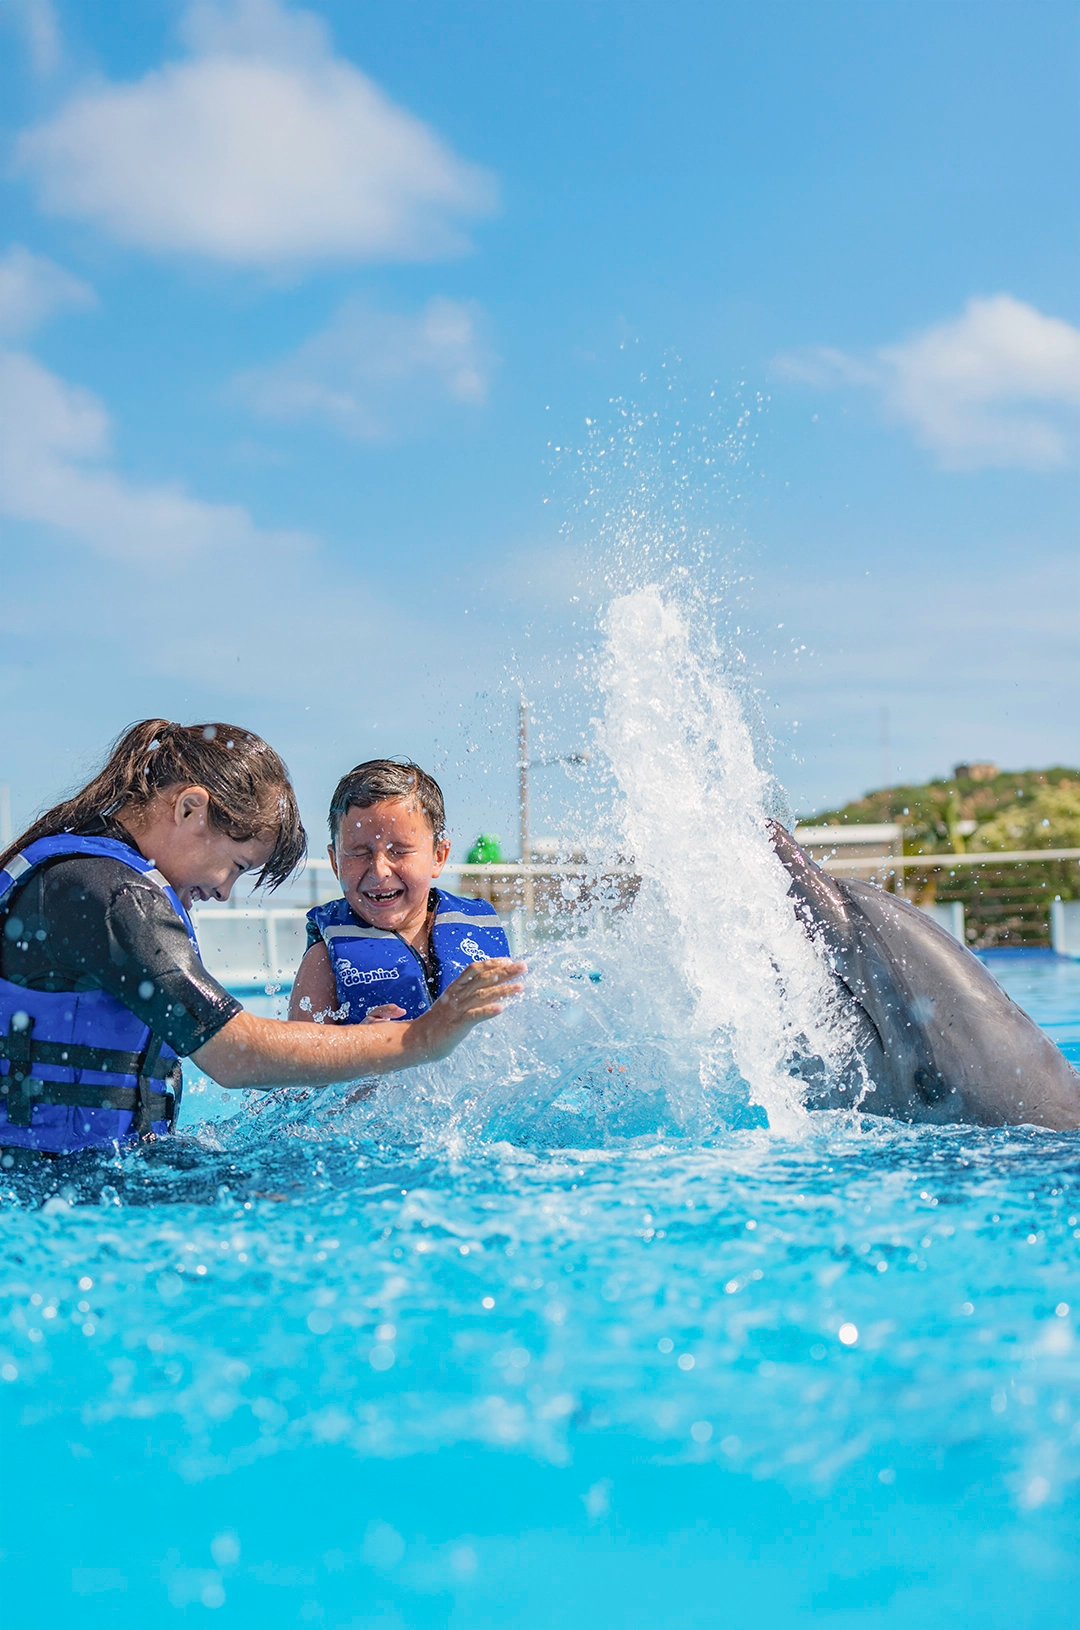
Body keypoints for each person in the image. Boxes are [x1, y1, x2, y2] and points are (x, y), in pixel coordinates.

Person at [0, 721, 524, 1160]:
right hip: (43, 1176)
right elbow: (235, 1053)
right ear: (188, 809)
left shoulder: (96, 883)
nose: (226, 891)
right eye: (235, 865)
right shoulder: (107, 895)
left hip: (73, 1166)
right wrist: (422, 1037)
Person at [289, 760, 511, 1027]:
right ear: (335, 862)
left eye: (400, 851)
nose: (379, 870)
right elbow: (299, 1062)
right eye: (359, 853)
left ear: (439, 856)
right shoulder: (322, 960)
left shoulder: (476, 930)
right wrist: (361, 1046)